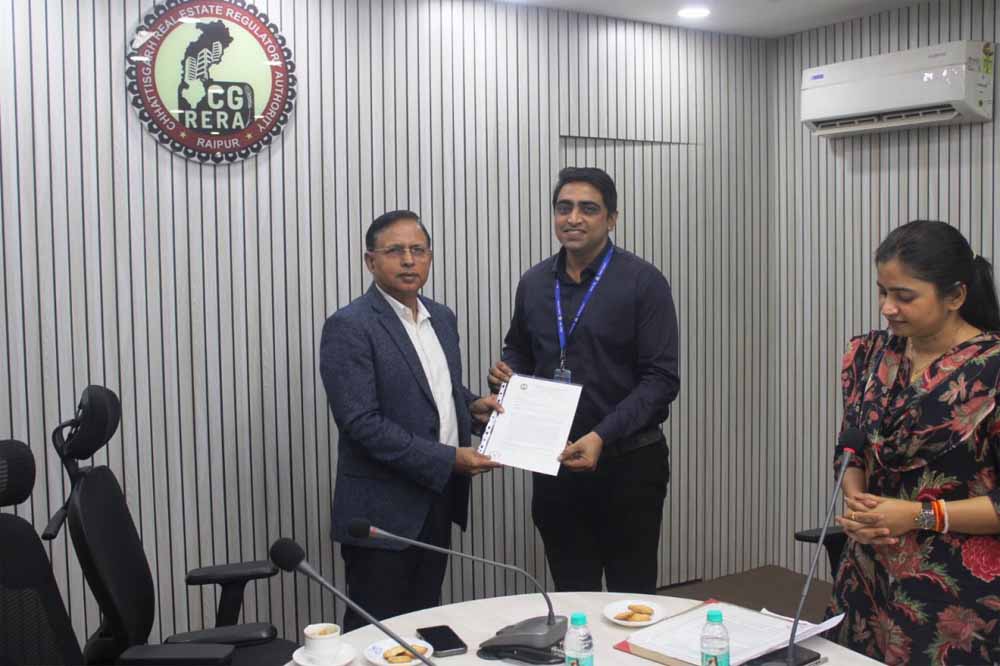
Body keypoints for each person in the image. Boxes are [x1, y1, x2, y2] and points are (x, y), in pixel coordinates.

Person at [489, 167, 680, 593]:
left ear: (611, 219)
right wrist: (507, 374)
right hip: (555, 465)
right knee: (573, 592)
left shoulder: (643, 283)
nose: (573, 218)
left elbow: (661, 379)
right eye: (564, 208)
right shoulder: (534, 283)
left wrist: (600, 435)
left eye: (588, 209)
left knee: (631, 594)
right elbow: (518, 348)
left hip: (629, 465)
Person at [320, 210, 502, 632]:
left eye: (418, 250)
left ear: (430, 257)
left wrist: (473, 407)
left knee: (422, 622)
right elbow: (361, 423)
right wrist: (449, 459)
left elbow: (435, 389)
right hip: (381, 510)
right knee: (375, 631)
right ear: (370, 261)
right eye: (395, 251)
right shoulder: (350, 326)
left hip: (436, 498)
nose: (408, 260)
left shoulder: (442, 317)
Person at [828, 220, 1000, 665]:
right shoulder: (869, 355)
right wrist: (858, 502)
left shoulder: (992, 371)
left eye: (904, 296)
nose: (887, 308)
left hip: (955, 596)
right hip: (867, 579)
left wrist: (918, 515)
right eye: (882, 292)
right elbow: (851, 446)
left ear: (955, 296)